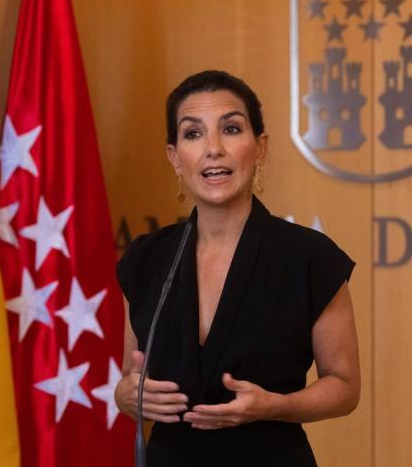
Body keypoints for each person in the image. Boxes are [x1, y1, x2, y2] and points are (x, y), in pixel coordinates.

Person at [114, 70, 360, 466]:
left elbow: (344, 387)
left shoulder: (310, 257)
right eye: (193, 134)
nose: (213, 149)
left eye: (230, 129)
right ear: (175, 157)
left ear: (260, 147)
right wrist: (124, 396)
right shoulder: (146, 258)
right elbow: (132, 376)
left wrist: (273, 406)